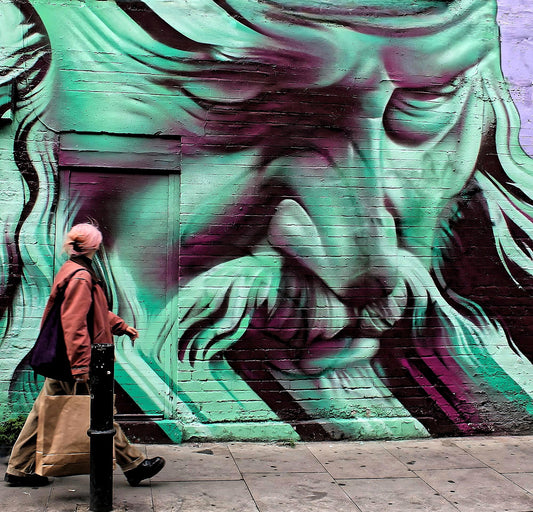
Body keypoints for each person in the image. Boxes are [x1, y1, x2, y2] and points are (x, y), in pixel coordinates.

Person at [4, 223, 165, 487]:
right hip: (77, 360)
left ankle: (19, 468)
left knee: (44, 411)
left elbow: (93, 310)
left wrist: (120, 326)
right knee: (99, 413)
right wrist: (81, 367)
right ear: (93, 246)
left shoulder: (75, 270)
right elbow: (74, 322)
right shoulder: (81, 277)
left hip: (67, 359)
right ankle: (133, 465)